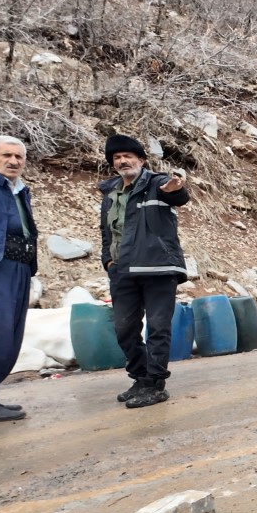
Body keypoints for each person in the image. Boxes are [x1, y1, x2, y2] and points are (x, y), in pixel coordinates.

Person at [99, 134, 189, 409]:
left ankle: (156, 383)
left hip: (158, 268)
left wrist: (175, 187)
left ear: (141, 160)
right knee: (124, 328)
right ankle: (140, 377)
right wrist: (108, 261)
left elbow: (177, 195)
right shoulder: (111, 193)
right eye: (117, 157)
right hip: (123, 270)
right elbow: (107, 233)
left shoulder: (157, 182)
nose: (123, 160)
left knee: (158, 327)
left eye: (129, 156)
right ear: (113, 164)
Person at [0, 136, 37, 423]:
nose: (13, 161)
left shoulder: (19, 190)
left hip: (19, 267)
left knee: (9, 335)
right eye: (6, 155)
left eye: (19, 156)